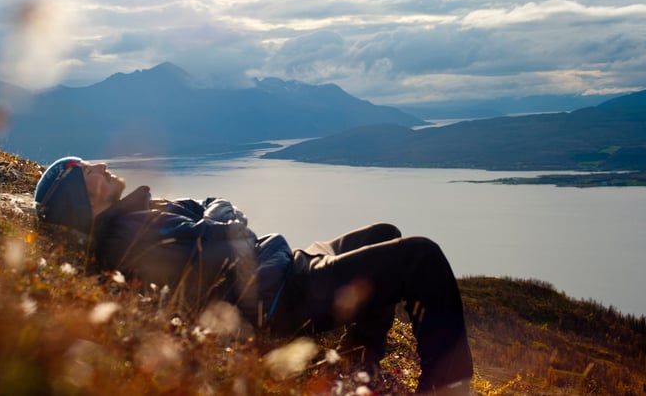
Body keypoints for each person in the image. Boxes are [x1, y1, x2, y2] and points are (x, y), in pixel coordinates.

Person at [34, 156, 474, 394]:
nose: (97, 167)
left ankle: (361, 370)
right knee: (421, 257)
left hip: (278, 269)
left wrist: (218, 217)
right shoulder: (126, 236)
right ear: (81, 202)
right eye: (84, 173)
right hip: (279, 296)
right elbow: (221, 237)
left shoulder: (135, 217)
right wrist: (223, 217)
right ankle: (448, 388)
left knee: (384, 234)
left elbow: (210, 218)